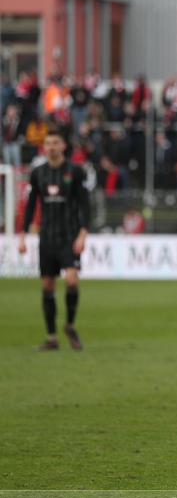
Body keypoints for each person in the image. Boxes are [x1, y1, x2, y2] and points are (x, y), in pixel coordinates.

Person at [18, 128, 90, 351]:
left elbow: (85, 204)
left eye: (55, 142)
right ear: (44, 146)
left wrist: (83, 233)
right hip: (47, 237)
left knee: (71, 280)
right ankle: (51, 338)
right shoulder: (38, 173)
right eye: (47, 143)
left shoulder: (75, 171)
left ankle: (69, 324)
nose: (51, 146)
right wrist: (22, 234)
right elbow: (31, 205)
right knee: (47, 285)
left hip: (69, 235)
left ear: (63, 146)